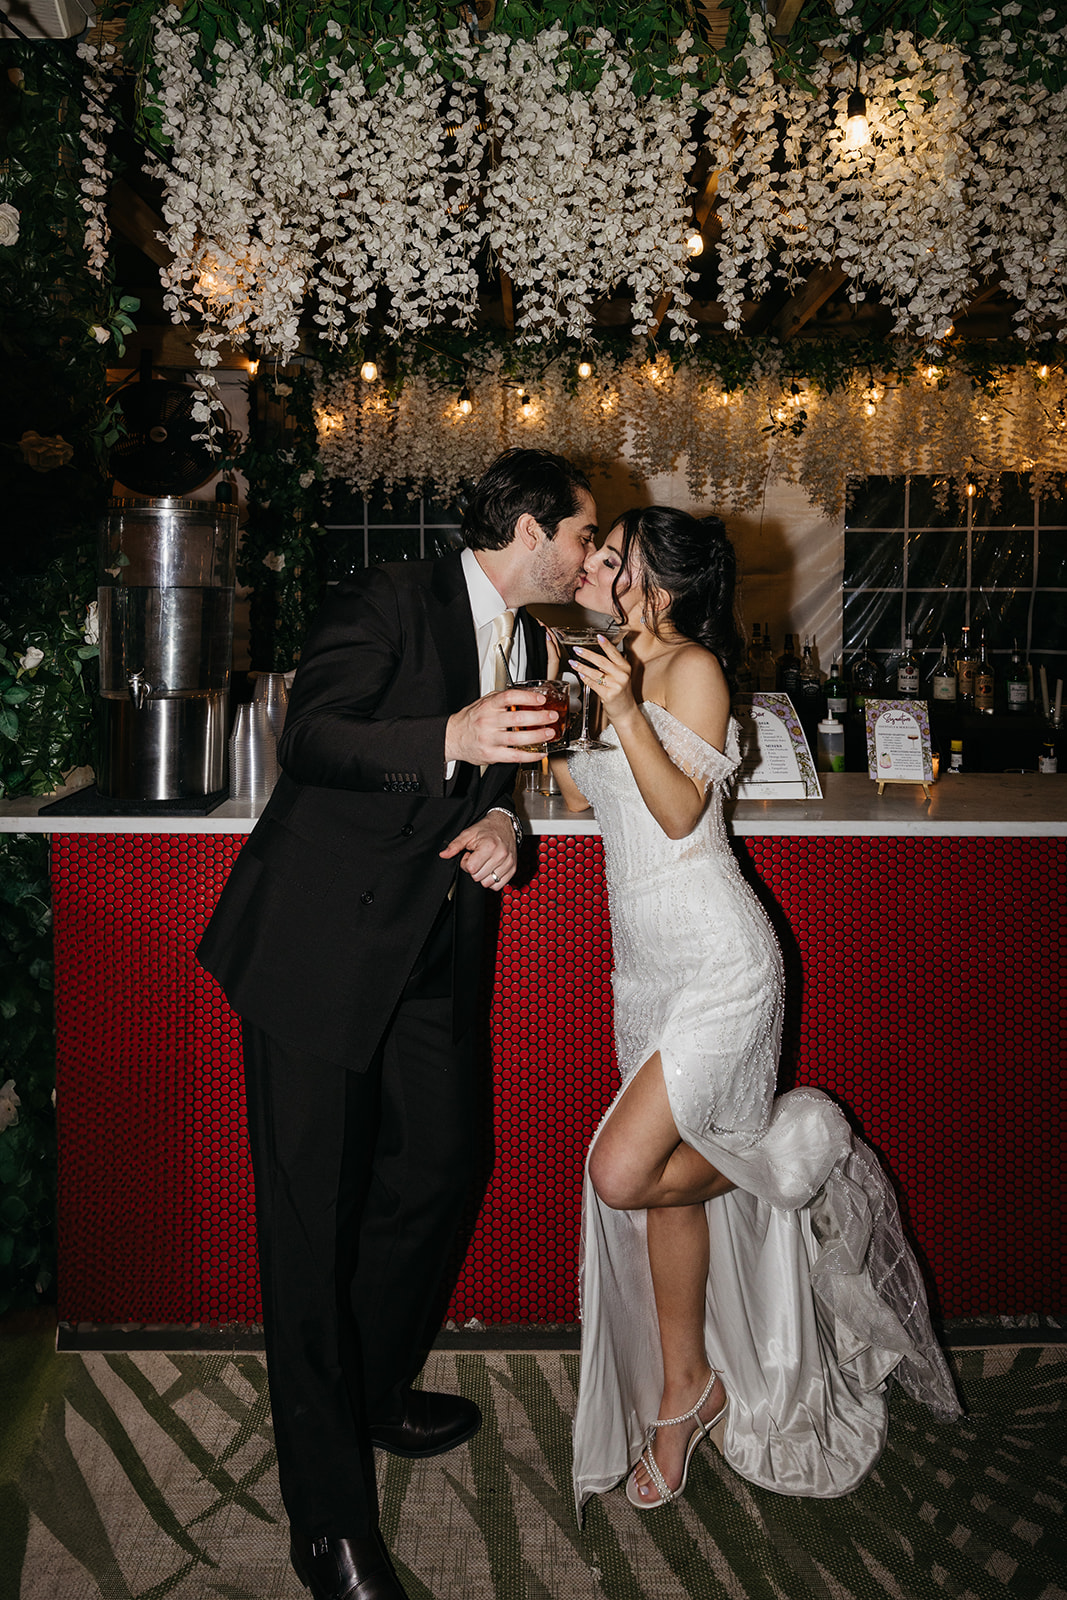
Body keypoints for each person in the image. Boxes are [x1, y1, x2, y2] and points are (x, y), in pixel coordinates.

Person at [198, 448, 598, 1600]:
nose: (586, 556)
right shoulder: (386, 597)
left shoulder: (526, 639)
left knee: (444, 1160)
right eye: (579, 535)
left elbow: (498, 770)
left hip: (430, 943)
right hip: (318, 947)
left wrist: (508, 825)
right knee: (310, 1232)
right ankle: (325, 1522)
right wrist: (449, 739)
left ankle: (368, 1389)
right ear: (529, 530)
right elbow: (313, 738)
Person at [552, 505, 960, 1518]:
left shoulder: (687, 668)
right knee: (669, 1198)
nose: (596, 568)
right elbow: (581, 799)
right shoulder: (600, 667)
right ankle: (682, 1397)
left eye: (616, 560)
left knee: (619, 1172)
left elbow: (681, 812)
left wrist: (620, 708)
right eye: (599, 555)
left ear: (661, 584)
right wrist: (544, 732)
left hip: (723, 965)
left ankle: (788, 1148)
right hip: (642, 973)